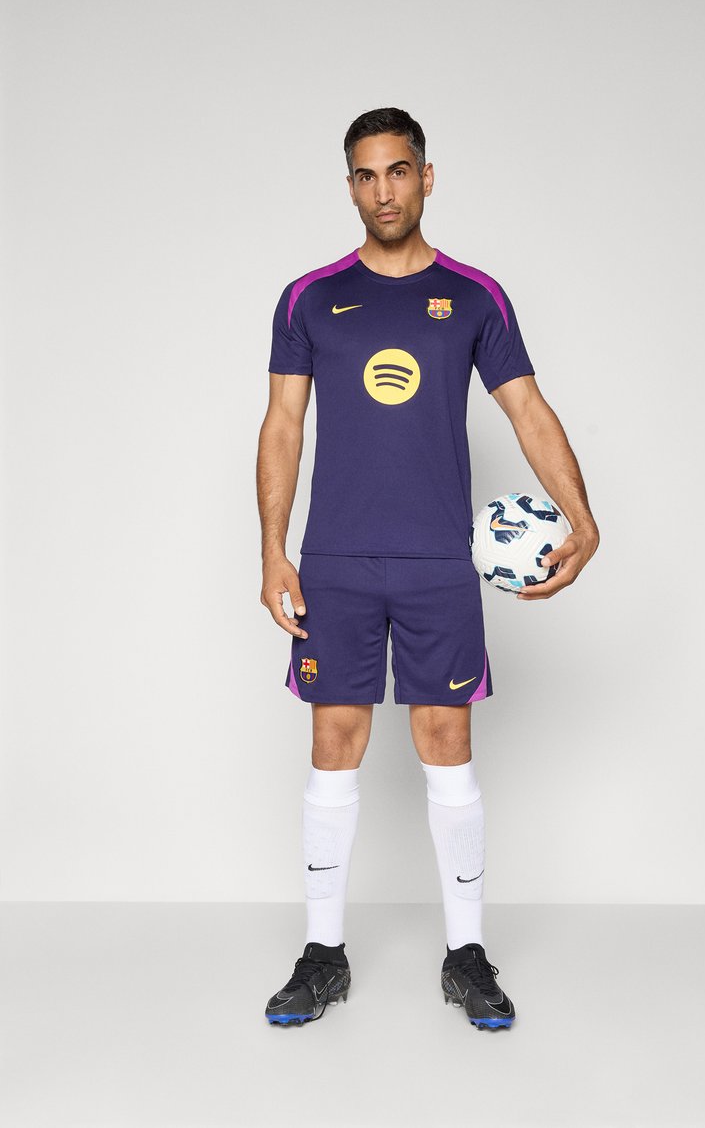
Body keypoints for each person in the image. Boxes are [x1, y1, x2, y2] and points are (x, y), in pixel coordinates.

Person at [256, 107, 599, 1030]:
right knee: (334, 743)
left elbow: (527, 409)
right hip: (336, 560)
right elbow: (283, 424)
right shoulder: (309, 298)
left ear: (427, 176)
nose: (384, 191)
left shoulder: (475, 297)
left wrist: (582, 517)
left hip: (441, 561)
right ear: (350, 187)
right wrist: (273, 548)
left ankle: (467, 955)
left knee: (447, 743)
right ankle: (323, 954)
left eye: (399, 171)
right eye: (366, 175)